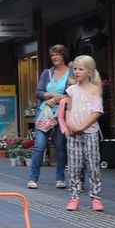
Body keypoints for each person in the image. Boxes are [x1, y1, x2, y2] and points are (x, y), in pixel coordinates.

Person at [63, 55, 105, 211]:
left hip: (90, 133)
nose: (76, 72)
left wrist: (82, 126)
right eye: (75, 69)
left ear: (90, 72)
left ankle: (96, 197)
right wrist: (69, 125)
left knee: (93, 165)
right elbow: (68, 110)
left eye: (80, 69)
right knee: (74, 166)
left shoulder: (95, 89)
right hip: (73, 134)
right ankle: (74, 197)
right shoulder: (71, 90)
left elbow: (97, 112)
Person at [28, 45, 71, 190]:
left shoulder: (71, 73)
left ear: (63, 55)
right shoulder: (47, 73)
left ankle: (60, 178)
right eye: (53, 55)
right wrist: (53, 97)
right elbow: (39, 92)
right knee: (39, 145)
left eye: (57, 54)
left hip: (61, 114)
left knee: (60, 146)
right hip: (44, 112)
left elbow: (71, 93)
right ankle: (33, 178)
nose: (55, 57)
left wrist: (59, 100)